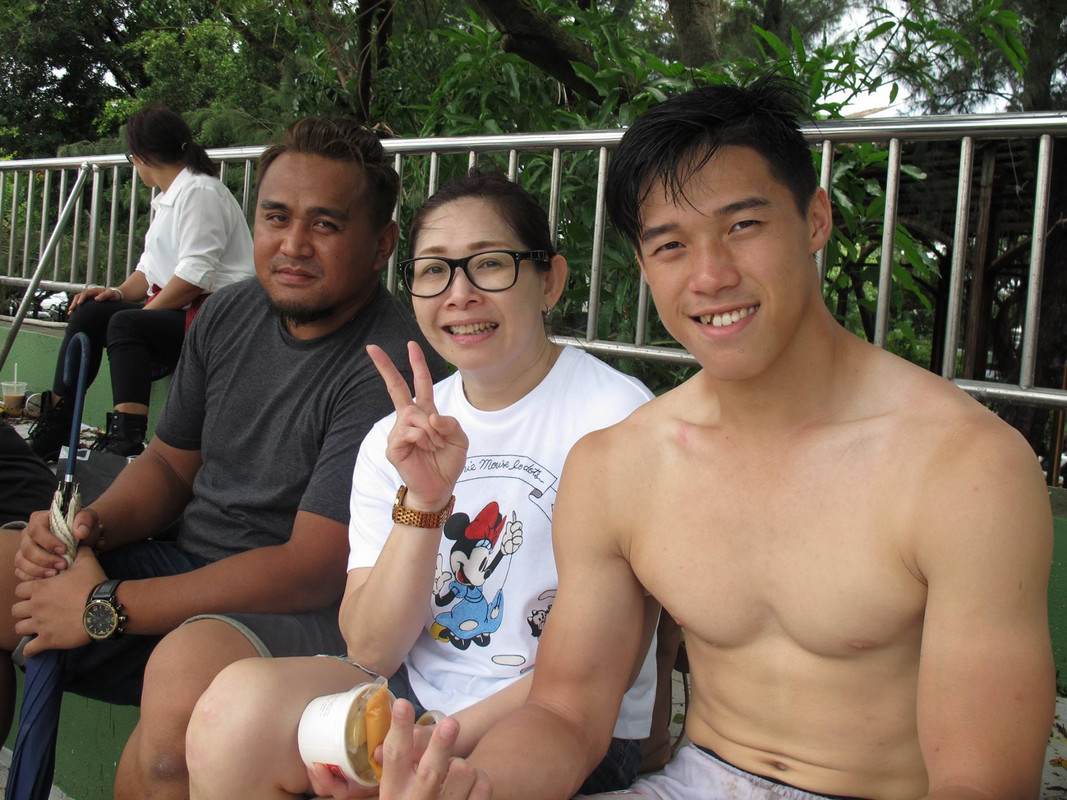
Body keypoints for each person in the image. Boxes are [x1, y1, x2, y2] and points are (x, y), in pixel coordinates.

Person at [369, 75, 1056, 800]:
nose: (710, 276)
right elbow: (565, 713)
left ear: (815, 219)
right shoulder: (621, 464)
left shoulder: (964, 467)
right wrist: (479, 787)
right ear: (643, 266)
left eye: (743, 226)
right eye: (670, 245)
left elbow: (982, 781)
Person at [0, 116, 448, 800]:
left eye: (326, 225)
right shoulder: (228, 313)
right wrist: (86, 530)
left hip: (302, 610)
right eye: (276, 217)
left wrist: (105, 604)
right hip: (183, 570)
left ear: (381, 244)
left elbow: (310, 568)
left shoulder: (387, 366)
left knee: (180, 691)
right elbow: (168, 466)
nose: (293, 245)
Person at [184, 172, 660, 799]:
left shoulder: (620, 419)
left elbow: (591, 678)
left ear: (550, 281)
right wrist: (426, 504)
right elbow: (372, 649)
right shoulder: (398, 436)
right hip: (412, 695)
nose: (459, 294)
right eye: (434, 271)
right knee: (232, 716)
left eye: (490, 264)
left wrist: (426, 743)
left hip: (564, 722)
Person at [28, 103, 255, 461]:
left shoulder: (200, 192)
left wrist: (142, 314)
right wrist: (116, 292)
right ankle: (57, 425)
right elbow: (148, 272)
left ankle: (125, 441)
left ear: (141, 156)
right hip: (183, 309)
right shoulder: (169, 198)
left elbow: (193, 278)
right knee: (91, 312)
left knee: (126, 323)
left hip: (217, 318)